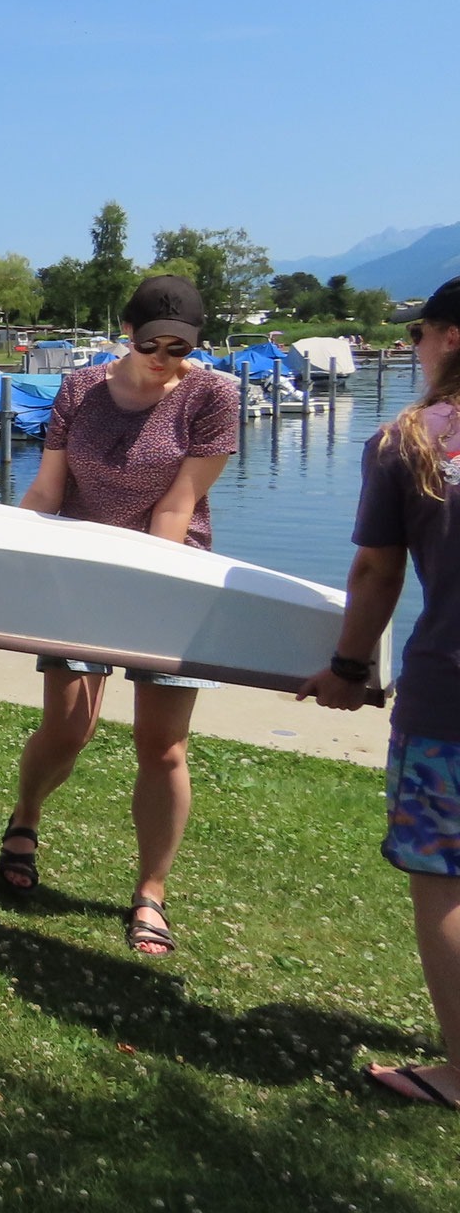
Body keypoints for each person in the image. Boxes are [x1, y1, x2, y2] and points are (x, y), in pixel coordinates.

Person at [0, 275, 239, 958]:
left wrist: (145, 589)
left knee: (163, 747)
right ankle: (25, 817)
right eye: (151, 344)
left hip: (172, 575)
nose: (163, 359)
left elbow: (177, 505)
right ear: (126, 333)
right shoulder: (79, 389)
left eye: (179, 348)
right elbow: (48, 489)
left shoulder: (214, 395)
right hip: (81, 576)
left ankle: (151, 892)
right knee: (68, 729)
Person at [300, 278, 460, 1109]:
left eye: (421, 334)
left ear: (450, 338)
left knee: (445, 878)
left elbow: (375, 572)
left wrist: (347, 667)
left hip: (448, 700)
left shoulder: (409, 440)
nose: (414, 348)